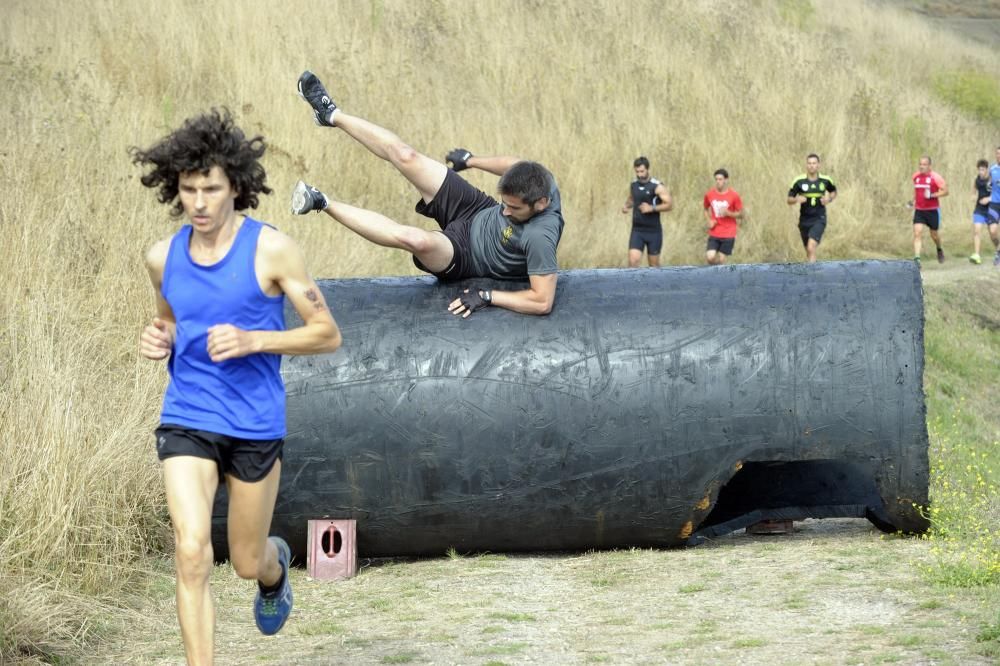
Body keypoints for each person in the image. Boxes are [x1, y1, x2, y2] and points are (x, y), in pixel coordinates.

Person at [132, 109, 342, 665]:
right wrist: (161, 339)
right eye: (189, 188)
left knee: (246, 560)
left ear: (236, 188)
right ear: (174, 187)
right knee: (192, 552)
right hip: (188, 416)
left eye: (212, 188)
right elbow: (170, 321)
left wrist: (254, 341)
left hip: (253, 422)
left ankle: (274, 573)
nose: (199, 202)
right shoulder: (163, 258)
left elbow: (326, 334)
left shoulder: (271, 250)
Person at [291, 70, 564, 318]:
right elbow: (513, 165)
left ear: (540, 204)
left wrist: (488, 296)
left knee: (415, 239)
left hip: (468, 255)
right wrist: (471, 161)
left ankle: (321, 201)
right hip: (477, 209)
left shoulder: (540, 237)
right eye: (505, 204)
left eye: (514, 209)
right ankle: (330, 114)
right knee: (406, 156)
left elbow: (542, 302)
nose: (505, 212)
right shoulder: (540, 180)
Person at [620, 156, 672, 267]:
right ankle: (635, 284)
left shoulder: (657, 186)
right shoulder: (634, 184)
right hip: (637, 230)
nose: (640, 175)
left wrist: (651, 208)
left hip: (653, 232)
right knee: (633, 262)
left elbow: (669, 205)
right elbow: (632, 199)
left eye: (642, 171)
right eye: (637, 172)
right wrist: (626, 206)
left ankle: (657, 284)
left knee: (654, 266)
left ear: (648, 169)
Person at [787, 153, 837, 263]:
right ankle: (813, 275)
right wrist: (797, 199)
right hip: (804, 220)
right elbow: (789, 200)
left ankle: (814, 277)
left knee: (811, 247)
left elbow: (833, 192)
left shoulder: (825, 180)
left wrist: (829, 199)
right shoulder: (799, 181)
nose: (811, 166)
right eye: (809, 163)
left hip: (819, 218)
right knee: (809, 252)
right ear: (806, 165)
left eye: (814, 163)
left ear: (818, 165)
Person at [911, 156, 948, 266]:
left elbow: (946, 191)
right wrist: (913, 201)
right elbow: (917, 191)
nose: (921, 166)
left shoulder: (935, 177)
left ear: (929, 166)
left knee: (934, 235)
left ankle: (939, 249)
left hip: (932, 211)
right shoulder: (916, 176)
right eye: (920, 164)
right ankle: (917, 259)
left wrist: (932, 195)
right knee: (917, 233)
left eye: (924, 164)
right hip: (919, 210)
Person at [702, 168, 744, 265]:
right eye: (716, 179)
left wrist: (729, 214)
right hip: (715, 231)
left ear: (726, 180)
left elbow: (741, 214)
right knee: (710, 257)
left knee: (721, 260)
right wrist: (709, 221)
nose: (718, 182)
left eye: (720, 179)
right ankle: (716, 272)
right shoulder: (710, 194)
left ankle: (717, 275)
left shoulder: (734, 195)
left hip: (729, 232)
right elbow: (705, 208)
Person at [969, 158, 997, 265]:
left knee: (993, 234)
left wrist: (989, 199)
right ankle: (977, 255)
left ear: (987, 170)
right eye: (979, 170)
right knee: (977, 230)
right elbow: (974, 190)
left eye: (982, 170)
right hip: (979, 209)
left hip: (992, 209)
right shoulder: (977, 180)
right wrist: (973, 196)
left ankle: (997, 251)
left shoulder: (993, 180)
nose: (980, 172)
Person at [989, 146, 1000, 266]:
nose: (999, 156)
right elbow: (989, 183)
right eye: (997, 154)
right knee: (992, 232)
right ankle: (998, 250)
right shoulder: (993, 169)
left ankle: (998, 254)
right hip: (995, 203)